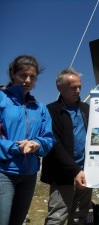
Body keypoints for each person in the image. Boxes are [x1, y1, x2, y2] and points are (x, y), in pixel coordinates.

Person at [0, 55, 55, 225]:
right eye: (23, 75)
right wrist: (16, 147)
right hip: (4, 172)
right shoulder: (2, 100)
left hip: (29, 175)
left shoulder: (40, 108)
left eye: (33, 77)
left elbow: (48, 137)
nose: (28, 80)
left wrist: (37, 144)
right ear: (12, 74)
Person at [41, 68, 92, 225]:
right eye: (73, 87)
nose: (77, 90)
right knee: (57, 217)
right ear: (59, 87)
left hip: (87, 173)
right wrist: (75, 170)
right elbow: (54, 145)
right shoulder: (50, 111)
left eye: (79, 87)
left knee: (79, 216)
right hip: (62, 175)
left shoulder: (86, 109)